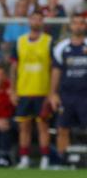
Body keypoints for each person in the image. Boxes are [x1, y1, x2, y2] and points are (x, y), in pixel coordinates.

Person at [11, 10, 53, 168]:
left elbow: (52, 68)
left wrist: (51, 92)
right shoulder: (20, 41)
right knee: (24, 127)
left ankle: (45, 159)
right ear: (29, 21)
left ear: (42, 22)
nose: (36, 22)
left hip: (42, 90)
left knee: (43, 126)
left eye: (39, 19)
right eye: (33, 19)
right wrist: (13, 90)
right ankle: (24, 159)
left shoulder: (48, 41)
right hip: (24, 90)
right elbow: (14, 67)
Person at [50, 13, 87, 166]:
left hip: (85, 95)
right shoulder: (61, 47)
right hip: (67, 95)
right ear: (70, 26)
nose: (78, 26)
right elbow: (56, 71)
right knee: (62, 128)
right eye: (75, 23)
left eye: (81, 23)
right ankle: (61, 161)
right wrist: (53, 93)